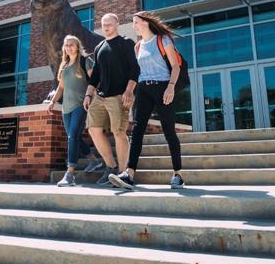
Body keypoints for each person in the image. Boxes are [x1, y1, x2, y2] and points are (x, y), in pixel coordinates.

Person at [110, 12, 184, 190]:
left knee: (169, 131)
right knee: (137, 131)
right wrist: (130, 90)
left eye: (136, 22)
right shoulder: (137, 47)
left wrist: (171, 87)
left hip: (163, 87)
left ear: (145, 23)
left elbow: (175, 66)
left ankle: (178, 174)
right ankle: (129, 174)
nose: (134, 26)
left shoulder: (162, 39)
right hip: (143, 89)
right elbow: (136, 73)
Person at [83, 13, 139, 185]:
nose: (106, 27)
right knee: (93, 129)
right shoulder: (100, 47)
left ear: (117, 24)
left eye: (110, 24)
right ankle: (111, 167)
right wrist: (88, 94)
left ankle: (124, 174)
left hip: (119, 95)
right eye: (103, 24)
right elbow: (95, 76)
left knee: (119, 132)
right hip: (100, 96)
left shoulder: (126, 43)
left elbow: (135, 69)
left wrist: (129, 91)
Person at [47, 35, 95, 186]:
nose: (69, 47)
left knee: (73, 136)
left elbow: (94, 81)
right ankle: (93, 160)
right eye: (67, 45)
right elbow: (60, 87)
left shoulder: (85, 61)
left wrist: (91, 98)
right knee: (73, 137)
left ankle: (70, 174)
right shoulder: (64, 65)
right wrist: (53, 102)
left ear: (78, 46)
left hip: (80, 105)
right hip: (66, 108)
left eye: (72, 44)